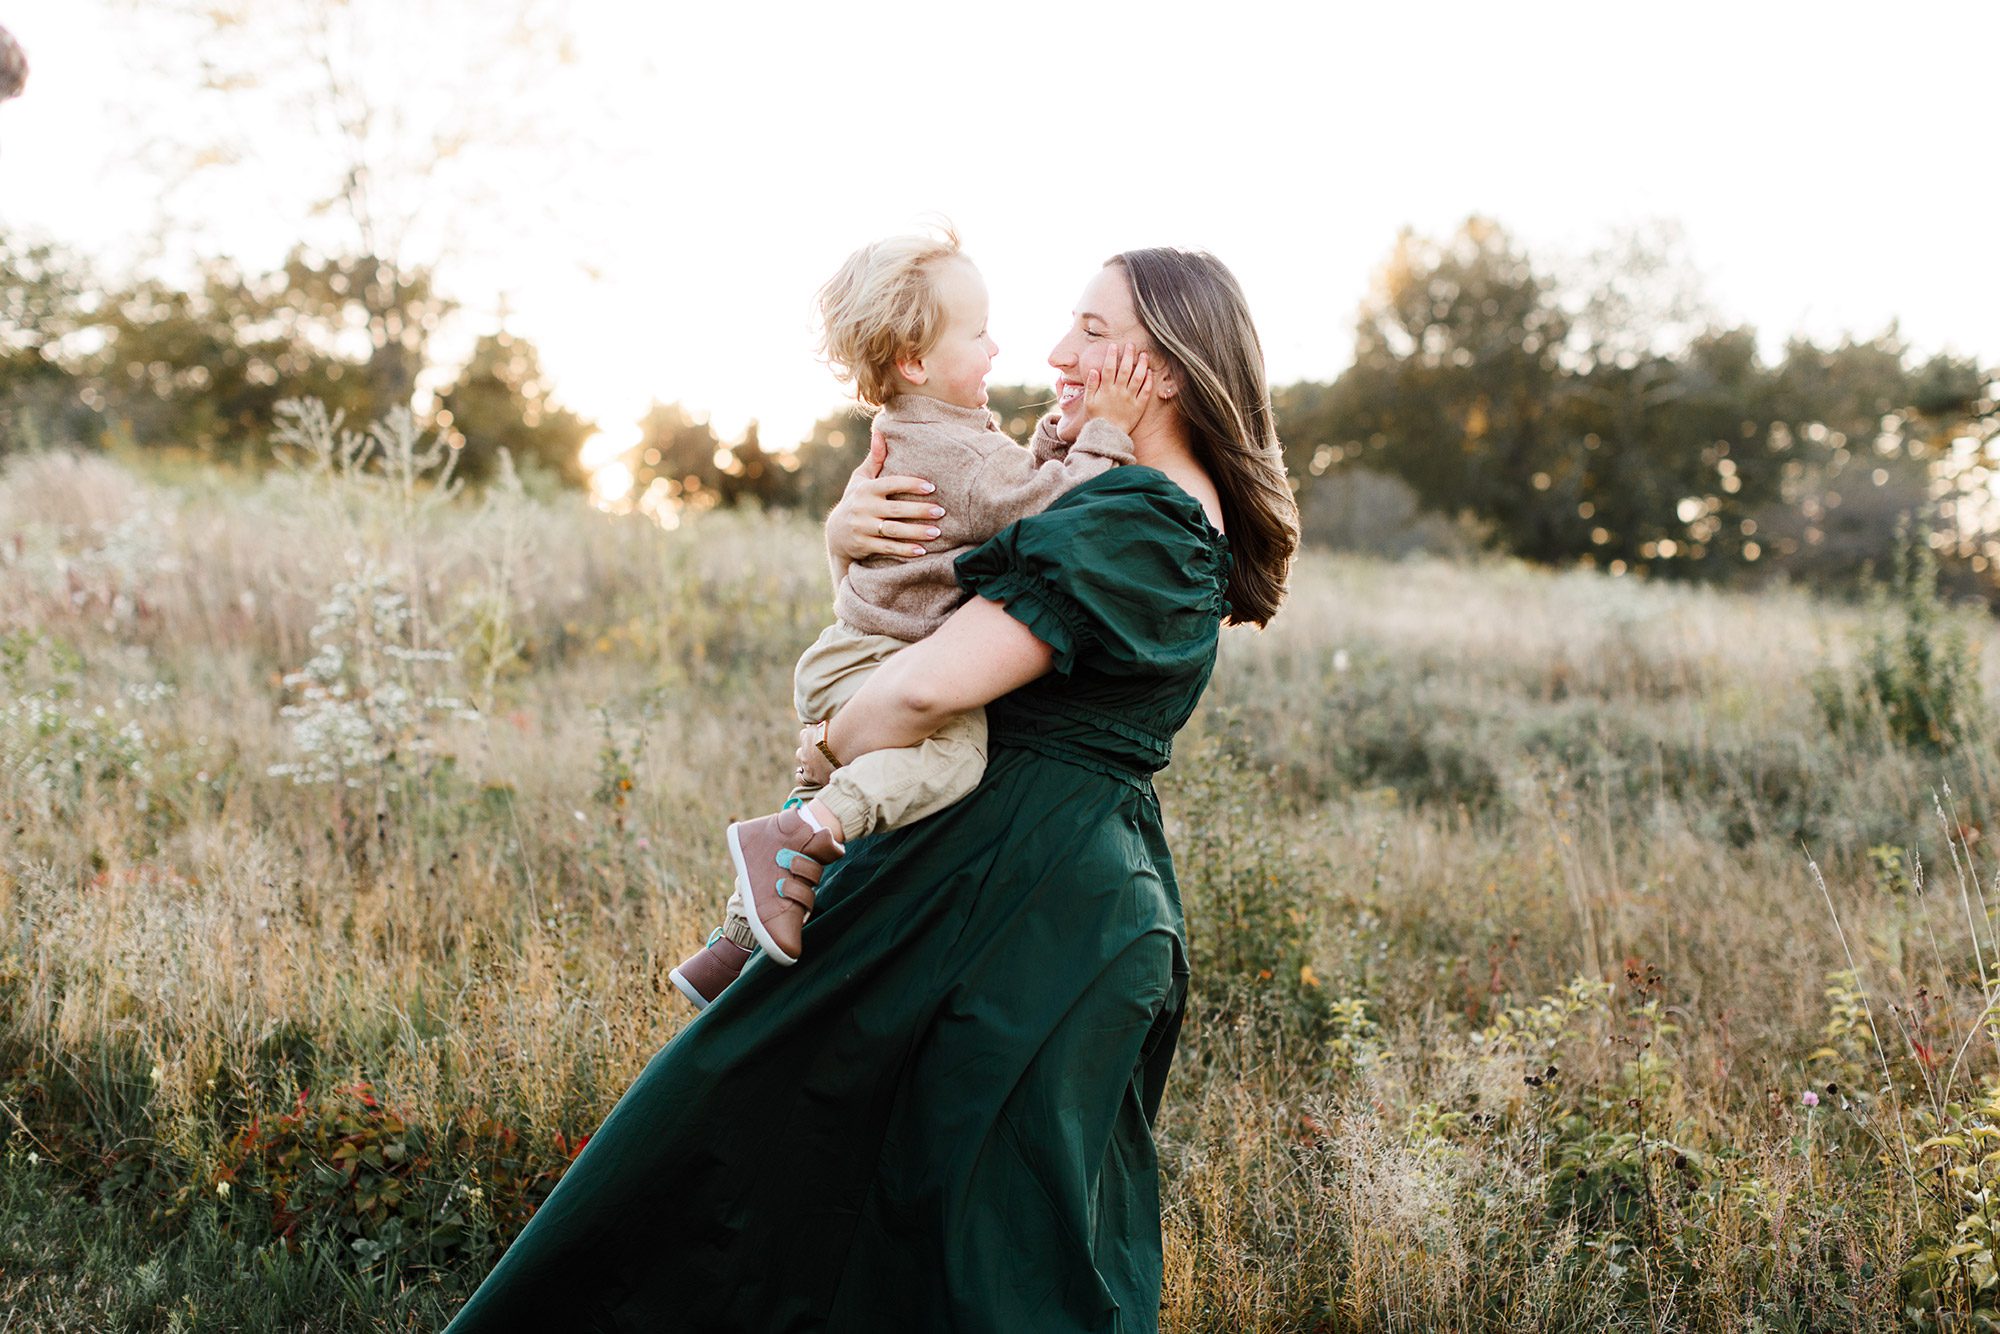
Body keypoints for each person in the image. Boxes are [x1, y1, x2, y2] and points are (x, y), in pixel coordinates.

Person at [444, 247, 1298, 1333]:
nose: (1053, 351)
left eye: (1088, 328)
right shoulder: (1135, 499)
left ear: (1165, 367)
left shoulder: (1137, 514)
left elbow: (917, 692)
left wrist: (824, 739)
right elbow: (918, 591)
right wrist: (843, 539)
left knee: (930, 1226)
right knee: (866, 1200)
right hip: (1008, 881)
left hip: (1021, 905)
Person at [672, 225, 1155, 1008]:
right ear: (915, 360)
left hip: (854, 651)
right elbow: (1046, 509)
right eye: (979, 332)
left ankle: (731, 948)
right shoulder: (958, 453)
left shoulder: (938, 431)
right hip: (881, 660)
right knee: (951, 760)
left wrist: (1059, 435)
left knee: (850, 775)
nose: (999, 349)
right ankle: (791, 838)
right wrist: (1107, 433)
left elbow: (1010, 483)